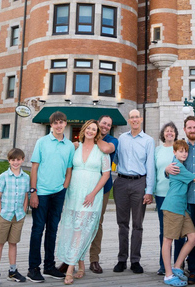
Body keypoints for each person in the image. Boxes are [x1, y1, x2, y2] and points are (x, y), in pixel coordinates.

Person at [56, 120, 111, 285]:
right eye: (89, 128)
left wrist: (93, 194)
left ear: (97, 133)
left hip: (91, 196)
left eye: (94, 129)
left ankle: (70, 269)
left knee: (81, 229)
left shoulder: (102, 151)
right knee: (75, 228)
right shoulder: (75, 148)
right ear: (84, 129)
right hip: (74, 194)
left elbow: (106, 175)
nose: (91, 131)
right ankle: (81, 265)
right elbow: (68, 170)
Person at [28, 111, 73, 283]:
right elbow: (34, 167)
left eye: (62, 122)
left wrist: (64, 186)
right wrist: (33, 191)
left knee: (53, 230)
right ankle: (33, 268)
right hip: (41, 193)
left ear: (65, 124)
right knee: (38, 230)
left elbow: (69, 169)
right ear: (51, 125)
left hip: (58, 193)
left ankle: (49, 266)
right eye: (56, 122)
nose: (59, 125)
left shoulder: (69, 145)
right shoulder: (42, 142)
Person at [167, 116, 195, 285]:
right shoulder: (181, 147)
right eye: (189, 128)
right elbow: (172, 167)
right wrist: (166, 169)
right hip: (187, 202)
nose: (192, 130)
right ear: (184, 129)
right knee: (191, 237)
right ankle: (193, 270)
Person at [113, 108, 155, 274]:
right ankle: (121, 260)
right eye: (132, 117)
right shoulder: (121, 139)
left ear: (141, 119)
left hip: (139, 183)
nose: (135, 120)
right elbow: (114, 158)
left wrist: (149, 190)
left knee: (137, 224)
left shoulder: (148, 141)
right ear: (129, 120)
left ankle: (135, 260)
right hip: (122, 182)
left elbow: (150, 166)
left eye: (137, 117)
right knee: (122, 224)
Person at [0, 148, 29, 286]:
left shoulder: (26, 177)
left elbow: (25, 195)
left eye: (18, 160)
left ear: (23, 160)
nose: (16, 162)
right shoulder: (3, 176)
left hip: (18, 216)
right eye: (13, 160)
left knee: (13, 243)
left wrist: (24, 210)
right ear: (9, 161)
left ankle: (12, 271)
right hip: (5, 215)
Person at [88, 115, 118, 274]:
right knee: (80, 222)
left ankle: (94, 260)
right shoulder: (88, 137)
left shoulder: (113, 140)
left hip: (103, 188)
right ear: (98, 123)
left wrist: (94, 137)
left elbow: (106, 149)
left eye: (108, 124)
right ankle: (72, 259)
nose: (106, 126)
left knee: (96, 223)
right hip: (84, 186)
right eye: (103, 123)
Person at [155, 122, 179, 275]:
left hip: (177, 195)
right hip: (161, 194)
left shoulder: (180, 148)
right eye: (167, 131)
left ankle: (178, 264)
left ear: (176, 133)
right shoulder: (157, 150)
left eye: (172, 131)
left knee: (179, 231)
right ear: (163, 134)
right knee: (164, 231)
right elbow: (152, 170)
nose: (169, 133)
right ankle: (164, 265)